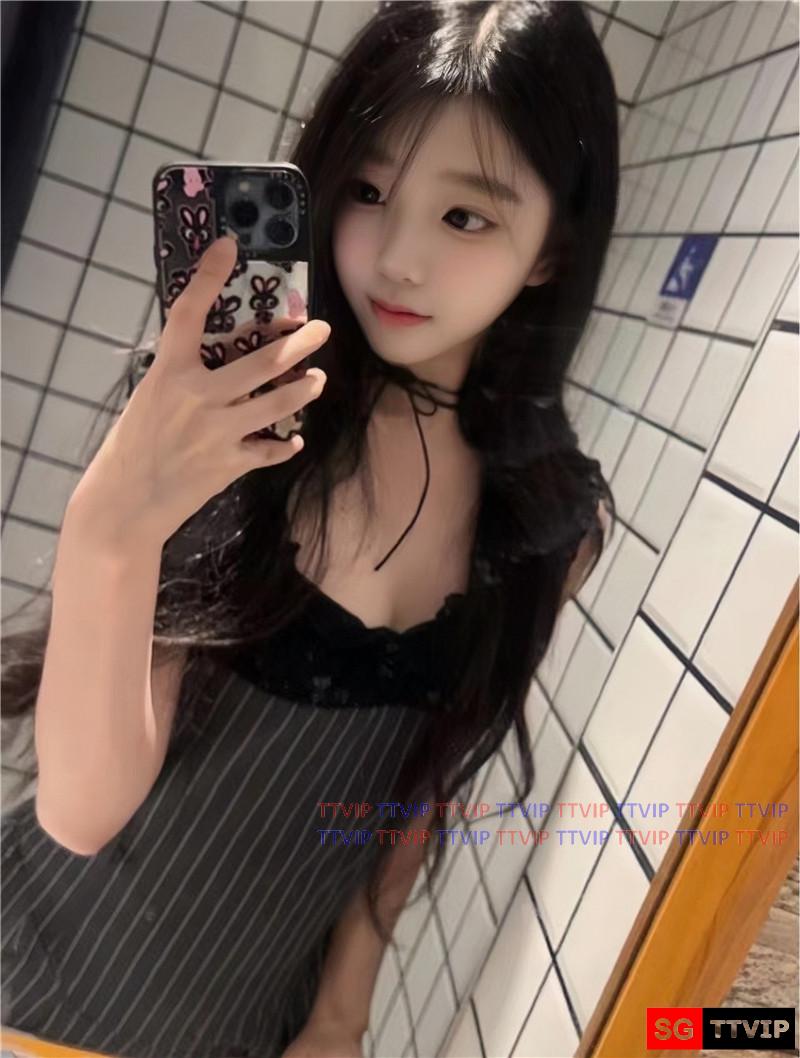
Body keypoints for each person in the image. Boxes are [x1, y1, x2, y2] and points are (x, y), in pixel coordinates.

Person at [0, 1, 618, 1056]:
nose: (399, 259)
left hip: (247, 1032)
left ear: (551, 250)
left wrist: (342, 1013)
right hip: (29, 987)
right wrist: (107, 528)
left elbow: (416, 788)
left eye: (464, 217)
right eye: (369, 193)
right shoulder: (236, 407)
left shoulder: (547, 523)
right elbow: (84, 809)